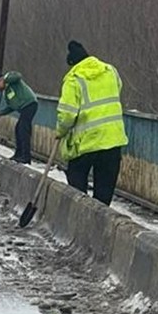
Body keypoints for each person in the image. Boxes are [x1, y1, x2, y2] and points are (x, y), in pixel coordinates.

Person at [55, 40, 128, 205]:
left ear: (72, 63)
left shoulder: (73, 79)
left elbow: (67, 115)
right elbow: (117, 90)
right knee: (103, 196)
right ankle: (100, 225)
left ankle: (80, 222)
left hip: (86, 143)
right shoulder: (110, 71)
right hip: (112, 140)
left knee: (76, 189)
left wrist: (60, 131)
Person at [0, 69, 38, 164]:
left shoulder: (11, 80)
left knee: (23, 129)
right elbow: (11, 107)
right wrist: (0, 114)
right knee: (18, 129)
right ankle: (18, 154)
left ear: (1, 80)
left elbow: (18, 76)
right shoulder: (6, 93)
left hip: (29, 104)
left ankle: (26, 157)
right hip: (23, 108)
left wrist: (6, 79)